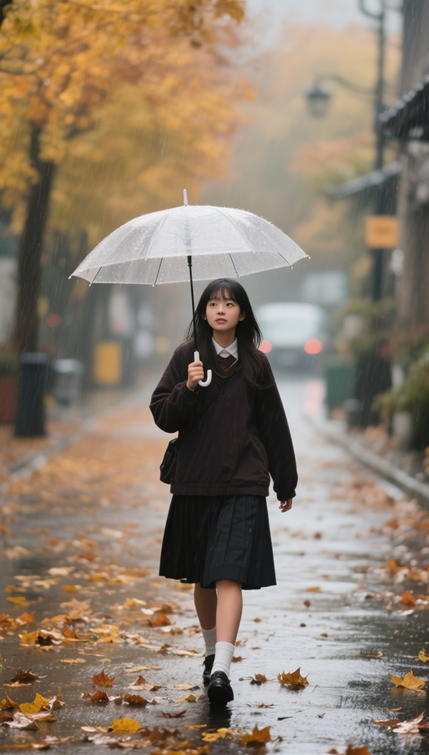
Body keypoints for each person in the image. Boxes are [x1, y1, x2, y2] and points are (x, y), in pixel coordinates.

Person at [149, 278, 297, 708]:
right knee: (204, 577)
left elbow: (274, 425)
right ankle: (211, 651)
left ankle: (222, 671)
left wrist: (285, 481)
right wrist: (188, 387)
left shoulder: (256, 364)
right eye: (213, 303)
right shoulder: (187, 357)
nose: (220, 310)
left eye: (229, 304)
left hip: (243, 483)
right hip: (196, 483)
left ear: (242, 314)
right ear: (203, 312)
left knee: (229, 574)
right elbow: (163, 415)